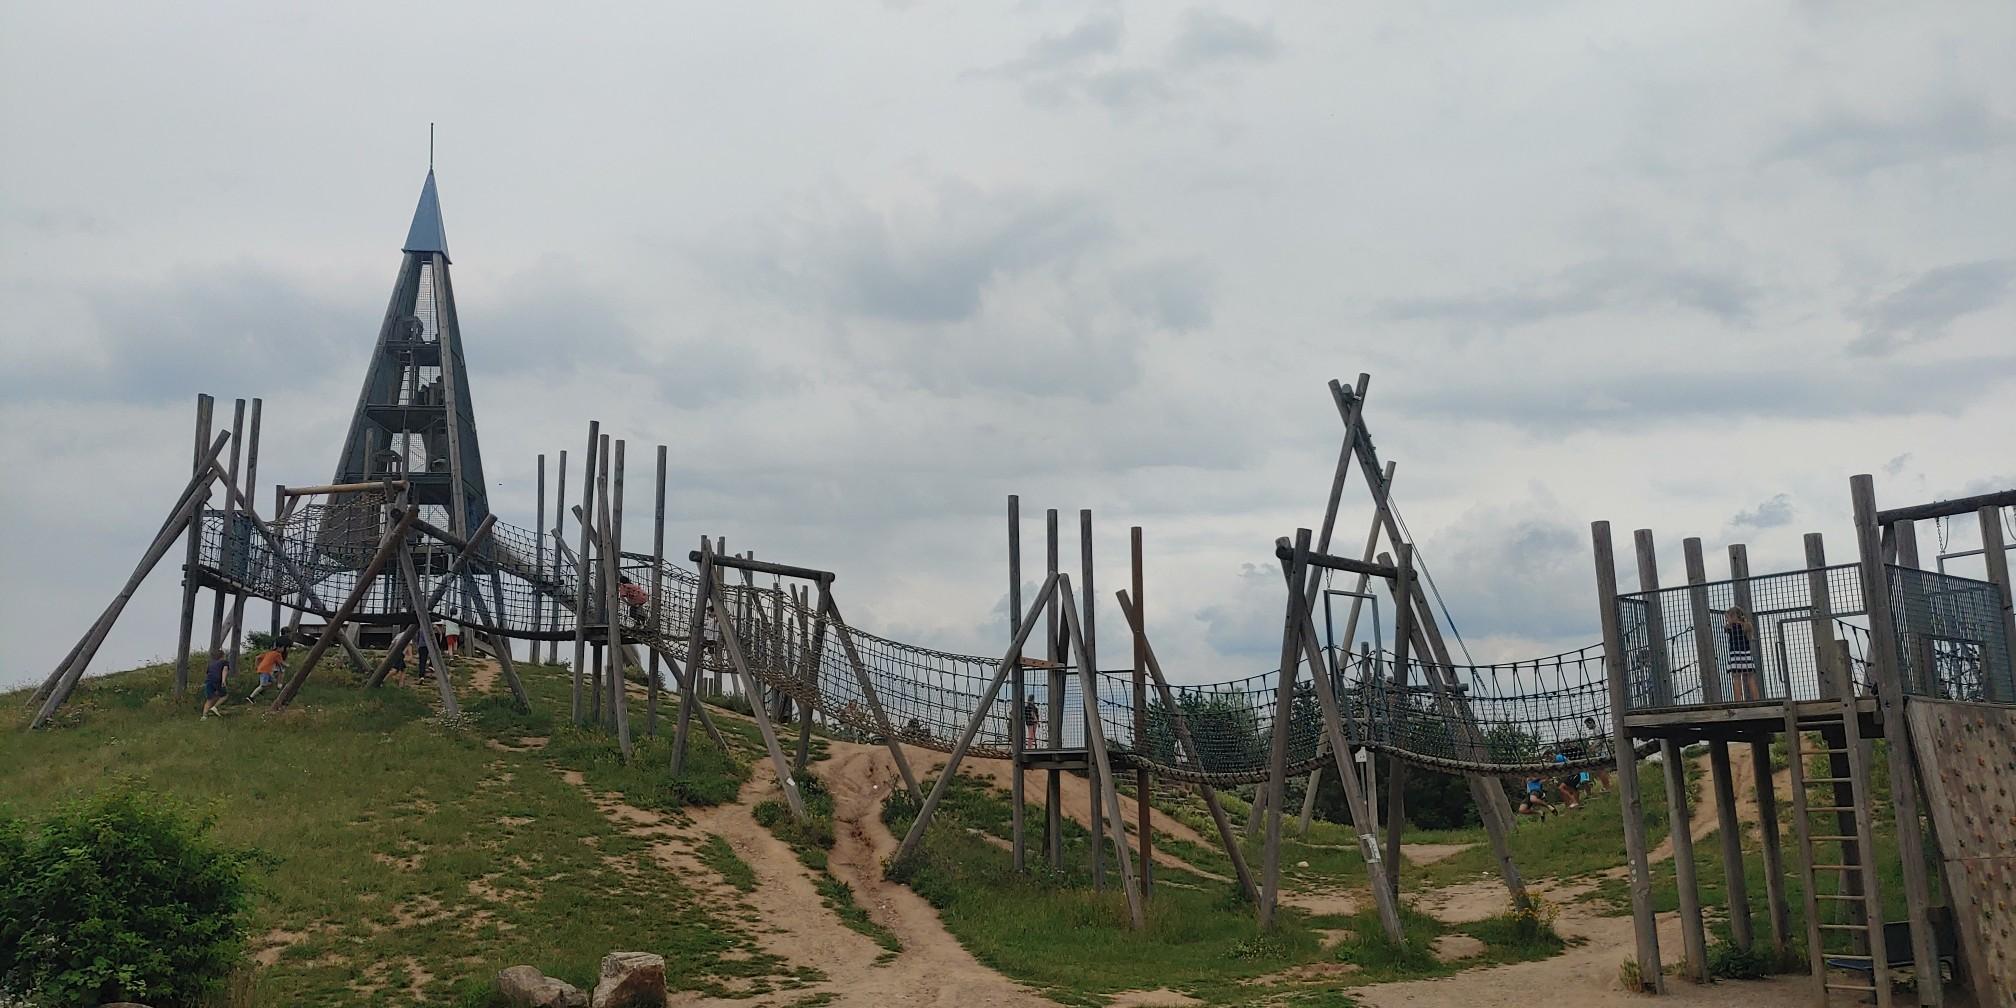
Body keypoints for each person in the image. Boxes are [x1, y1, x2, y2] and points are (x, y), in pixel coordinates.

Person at [1724, 606, 1759, 701]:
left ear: (1733, 616)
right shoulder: (1746, 626)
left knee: (1736, 679)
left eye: (1727, 618)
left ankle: (1738, 701)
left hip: (1735, 655)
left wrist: (1728, 624)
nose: (1726, 621)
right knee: (1751, 678)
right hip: (1746, 654)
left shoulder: (1730, 627)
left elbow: (1725, 628)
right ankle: (1756, 700)